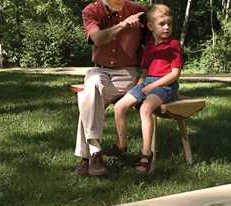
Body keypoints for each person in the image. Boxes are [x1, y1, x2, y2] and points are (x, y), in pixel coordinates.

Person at [74, 0, 146, 177]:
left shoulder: (139, 11)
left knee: (87, 99)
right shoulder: (91, 10)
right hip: (101, 70)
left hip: (130, 73)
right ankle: (95, 152)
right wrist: (122, 25)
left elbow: (153, 45)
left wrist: (144, 78)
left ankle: (86, 158)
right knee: (91, 87)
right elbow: (98, 38)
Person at [113, 4, 183, 175]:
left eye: (169, 24)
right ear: (151, 26)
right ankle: (122, 146)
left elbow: (175, 74)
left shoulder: (174, 45)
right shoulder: (149, 46)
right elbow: (145, 70)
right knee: (119, 107)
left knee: (145, 109)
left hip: (165, 85)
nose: (167, 27)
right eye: (162, 24)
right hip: (147, 82)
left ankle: (146, 154)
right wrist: (140, 85)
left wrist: (153, 86)